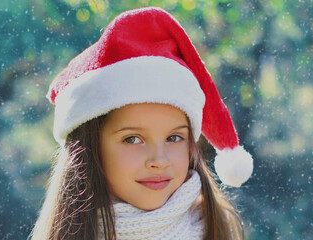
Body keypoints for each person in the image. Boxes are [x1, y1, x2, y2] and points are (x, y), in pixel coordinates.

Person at [31, 7, 253, 240]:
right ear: (90, 148)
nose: (159, 160)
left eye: (174, 138)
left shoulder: (218, 230)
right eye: (132, 139)